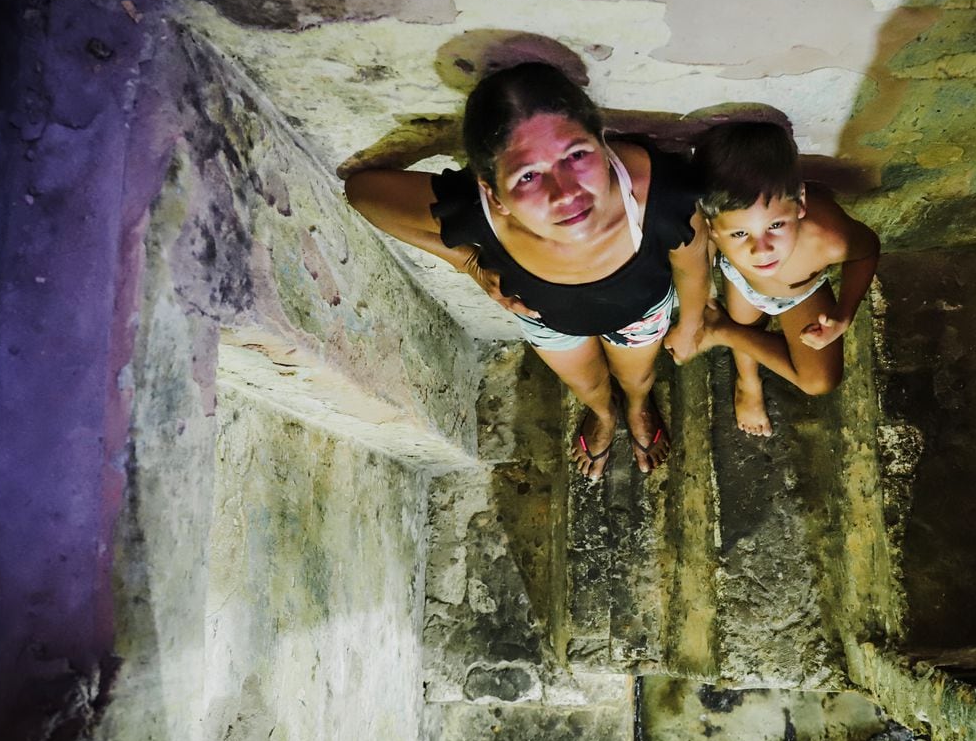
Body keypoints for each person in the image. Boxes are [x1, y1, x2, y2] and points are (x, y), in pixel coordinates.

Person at [344, 62, 709, 477]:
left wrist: (691, 321)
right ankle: (605, 416)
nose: (566, 193)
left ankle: (639, 408)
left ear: (602, 142)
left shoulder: (663, 195)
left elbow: (693, 259)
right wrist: (467, 262)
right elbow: (363, 194)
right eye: (529, 175)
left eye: (576, 155)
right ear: (492, 192)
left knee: (639, 379)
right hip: (546, 320)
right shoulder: (478, 211)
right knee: (587, 387)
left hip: (639, 314)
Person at [684, 121, 879, 436]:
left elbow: (867, 250)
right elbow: (697, 256)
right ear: (713, 227)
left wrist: (844, 314)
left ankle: (721, 331)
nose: (761, 251)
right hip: (742, 284)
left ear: (800, 202)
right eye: (739, 233)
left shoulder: (828, 238)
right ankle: (747, 382)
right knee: (748, 327)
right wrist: (701, 301)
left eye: (775, 226)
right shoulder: (712, 227)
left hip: (801, 292)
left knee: (820, 382)